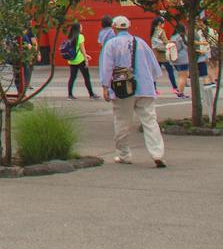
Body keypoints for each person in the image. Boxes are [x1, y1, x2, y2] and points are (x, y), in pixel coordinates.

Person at [98, 16, 166, 168]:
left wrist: (105, 86)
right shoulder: (141, 43)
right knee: (150, 121)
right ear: (129, 27)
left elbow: (107, 67)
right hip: (145, 88)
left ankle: (124, 154)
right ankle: (157, 154)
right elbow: (154, 67)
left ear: (114, 28)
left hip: (123, 89)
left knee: (122, 122)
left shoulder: (111, 44)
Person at [149, 17, 183, 97]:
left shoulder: (153, 31)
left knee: (154, 73)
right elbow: (165, 42)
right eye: (163, 23)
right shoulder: (161, 31)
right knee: (170, 72)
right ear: (160, 23)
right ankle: (175, 88)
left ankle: (154, 88)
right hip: (163, 55)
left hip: (156, 54)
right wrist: (172, 42)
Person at [62, 22, 95, 99]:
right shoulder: (80, 36)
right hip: (80, 60)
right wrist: (86, 59)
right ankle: (91, 94)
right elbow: (82, 49)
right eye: (81, 27)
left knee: (72, 77)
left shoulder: (69, 37)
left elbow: (75, 49)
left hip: (72, 60)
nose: (82, 28)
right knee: (86, 77)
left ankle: (70, 95)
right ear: (78, 28)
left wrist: (86, 55)